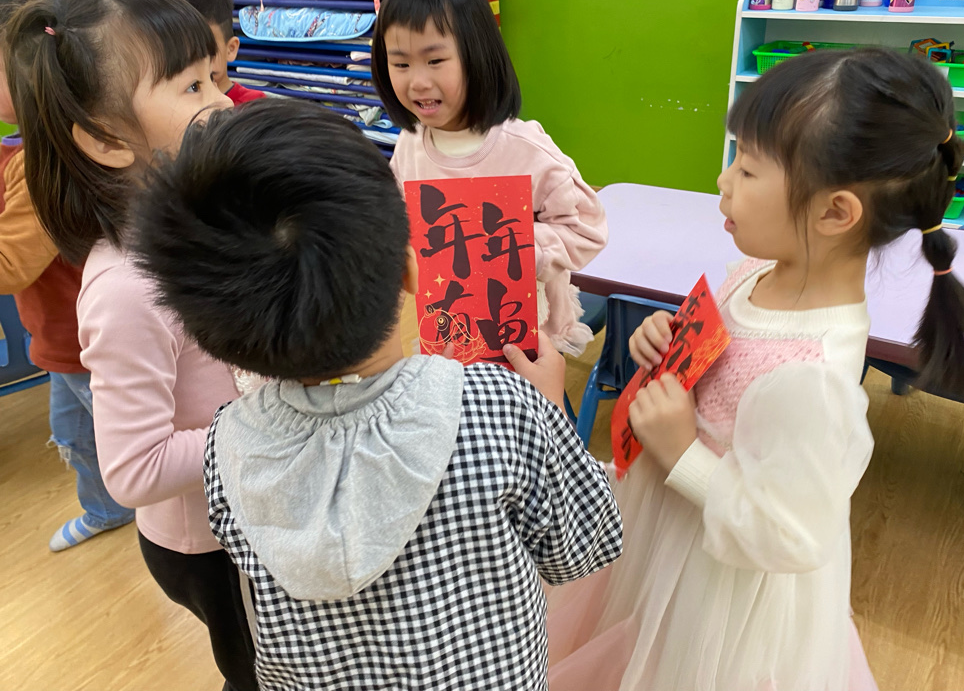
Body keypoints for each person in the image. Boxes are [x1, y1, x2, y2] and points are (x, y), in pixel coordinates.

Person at [546, 48, 964, 691]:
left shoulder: (812, 377)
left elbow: (787, 534)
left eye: (748, 167)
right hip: (667, 531)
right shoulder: (763, 270)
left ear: (835, 212)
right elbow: (723, 356)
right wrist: (667, 340)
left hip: (716, 583)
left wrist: (682, 452)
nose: (723, 180)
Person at [129, 97, 623, 690]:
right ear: (413, 274)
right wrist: (547, 408)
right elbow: (582, 548)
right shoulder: (501, 408)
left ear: (211, 334)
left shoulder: (225, 445)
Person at [6, 0, 257, 691]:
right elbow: (135, 468)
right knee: (262, 673)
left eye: (215, 77)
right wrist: (271, 424)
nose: (220, 101)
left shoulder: (200, 214)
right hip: (210, 544)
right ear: (108, 140)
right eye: (192, 87)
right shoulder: (125, 289)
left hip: (254, 507)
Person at [371, 0, 607, 357]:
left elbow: (587, 230)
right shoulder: (410, 145)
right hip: (449, 330)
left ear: (476, 56)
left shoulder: (525, 149)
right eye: (401, 64)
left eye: (435, 60)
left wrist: (521, 248)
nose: (418, 82)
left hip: (529, 338)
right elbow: (398, 218)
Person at [0, 0, 134, 552]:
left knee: (111, 434)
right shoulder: (33, 147)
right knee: (75, 432)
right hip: (60, 338)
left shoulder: (40, 163)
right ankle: (107, 507)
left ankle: (143, 509)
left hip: (81, 339)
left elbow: (11, 263)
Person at [166, 0, 265, 106]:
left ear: (230, 49)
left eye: (205, 49)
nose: (193, 60)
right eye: (180, 49)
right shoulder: (172, 106)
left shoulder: (254, 105)